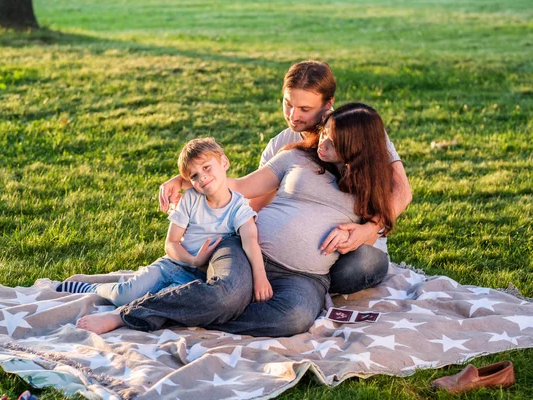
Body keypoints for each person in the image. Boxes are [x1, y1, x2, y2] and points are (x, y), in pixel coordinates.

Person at [74, 102, 399, 337]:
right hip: (246, 249)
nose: (323, 143)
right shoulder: (296, 156)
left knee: (293, 319)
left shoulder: (372, 186)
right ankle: (131, 314)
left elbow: (376, 226)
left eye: (335, 141)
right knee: (226, 295)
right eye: (324, 134)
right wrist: (186, 180)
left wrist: (359, 232)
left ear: (359, 148)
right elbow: (240, 186)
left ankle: (194, 307)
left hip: (306, 276)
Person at [161, 60, 412, 294]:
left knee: (360, 266)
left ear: (328, 104)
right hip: (286, 257)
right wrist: (188, 179)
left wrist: (366, 229)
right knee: (241, 256)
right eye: (288, 103)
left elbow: (402, 191)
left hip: (355, 247)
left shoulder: (359, 129)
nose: (293, 116)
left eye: (304, 109)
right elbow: (253, 200)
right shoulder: (281, 144)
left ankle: (299, 285)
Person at [62, 138, 272, 330]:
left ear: (224, 163)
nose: (203, 177)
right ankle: (93, 287)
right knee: (123, 294)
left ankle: (121, 316)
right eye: (195, 176)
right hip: (171, 265)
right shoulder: (191, 199)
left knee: (163, 299)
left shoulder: (238, 208)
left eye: (207, 167)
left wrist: (260, 277)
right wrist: (192, 259)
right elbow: (171, 243)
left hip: (196, 276)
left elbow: (250, 241)